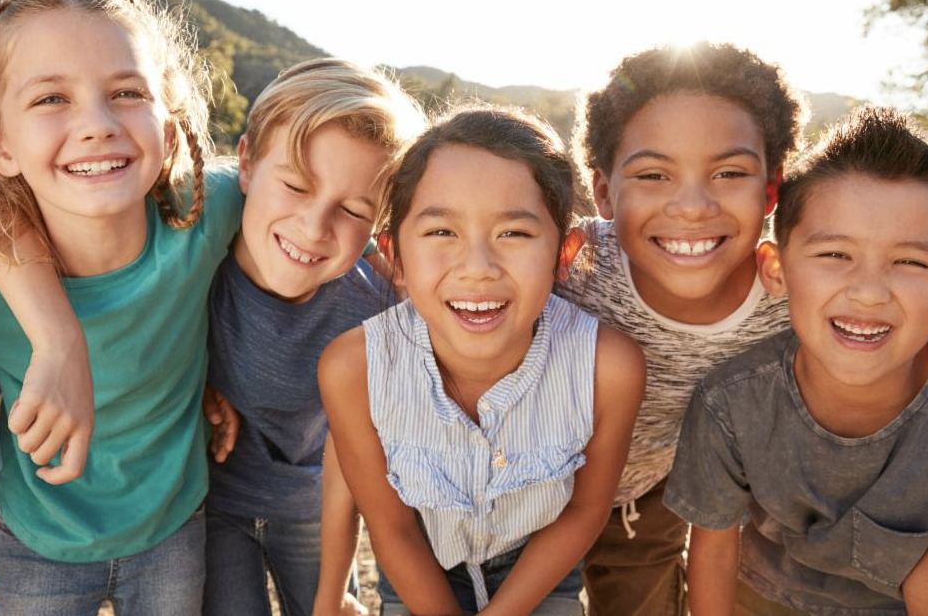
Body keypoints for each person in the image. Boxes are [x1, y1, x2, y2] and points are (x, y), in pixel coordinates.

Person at [0, 0, 243, 613]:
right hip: (40, 535)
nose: (97, 124)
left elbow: (321, 200)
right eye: (51, 99)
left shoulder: (207, 212)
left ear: (169, 118)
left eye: (127, 91)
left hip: (174, 523)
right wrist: (56, 334)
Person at [320, 105, 646, 615]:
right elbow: (393, 529)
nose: (477, 268)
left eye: (514, 233)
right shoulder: (353, 367)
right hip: (419, 564)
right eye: (441, 233)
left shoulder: (608, 367)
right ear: (395, 257)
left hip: (539, 569)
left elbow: (584, 511)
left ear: (565, 252)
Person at [666, 106, 928, 615]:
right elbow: (713, 557)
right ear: (777, 268)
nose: (869, 292)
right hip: (760, 599)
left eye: (911, 262)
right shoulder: (732, 401)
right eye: (835, 254)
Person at [555, 41, 806, 615]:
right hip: (522, 494)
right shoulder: (568, 264)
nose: (691, 206)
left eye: (728, 172)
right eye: (653, 174)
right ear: (602, 193)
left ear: (771, 188)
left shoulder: (790, 293)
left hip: (649, 500)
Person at [201, 58, 423, 616]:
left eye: (351, 210)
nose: (314, 227)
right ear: (247, 163)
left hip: (318, 507)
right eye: (297, 185)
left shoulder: (377, 302)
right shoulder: (196, 262)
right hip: (213, 504)